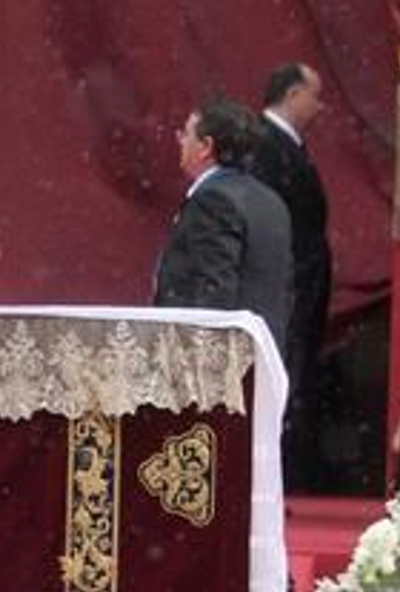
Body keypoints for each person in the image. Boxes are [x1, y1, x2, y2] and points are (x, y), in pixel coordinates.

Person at [154, 96, 293, 354]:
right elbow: (283, 290)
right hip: (265, 354)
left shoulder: (213, 200)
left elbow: (212, 295)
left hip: (217, 369)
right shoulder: (271, 201)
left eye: (186, 134)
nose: (180, 141)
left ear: (206, 146)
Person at [250, 63, 333, 493]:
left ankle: (280, 479)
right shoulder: (267, 145)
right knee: (282, 380)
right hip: (286, 286)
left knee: (292, 377)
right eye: (314, 97)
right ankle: (272, 482)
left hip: (299, 285)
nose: (319, 107)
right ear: (293, 94)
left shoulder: (287, 145)